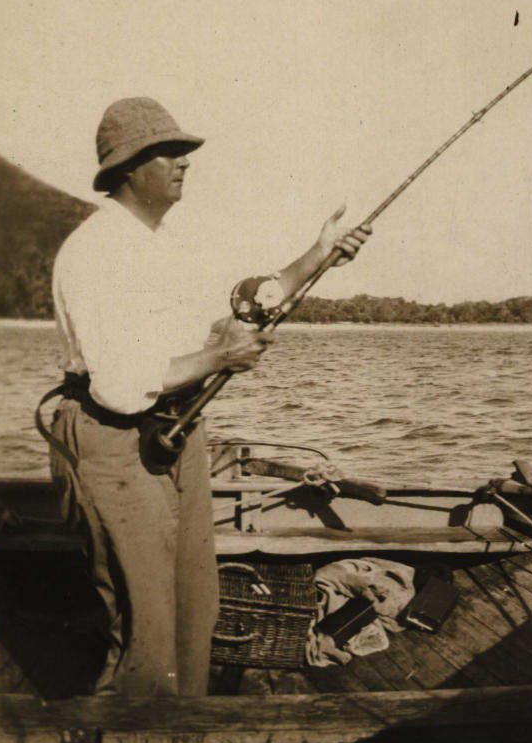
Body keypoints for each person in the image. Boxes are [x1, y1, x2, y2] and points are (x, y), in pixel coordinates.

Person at [48, 96, 371, 697]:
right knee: (145, 621)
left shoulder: (162, 243)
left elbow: (244, 302)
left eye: (184, 151)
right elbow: (118, 387)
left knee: (195, 609)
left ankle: (182, 726)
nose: (184, 162)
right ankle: (135, 733)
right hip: (113, 439)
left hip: (176, 431)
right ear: (127, 168)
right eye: (168, 152)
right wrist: (220, 359)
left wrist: (319, 254)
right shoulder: (95, 251)